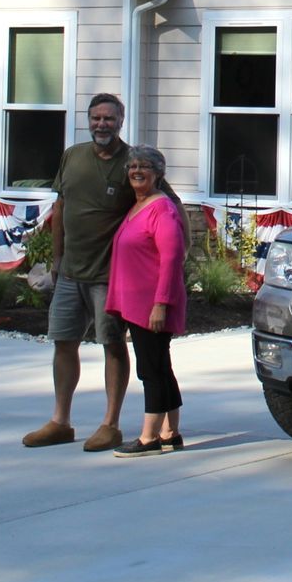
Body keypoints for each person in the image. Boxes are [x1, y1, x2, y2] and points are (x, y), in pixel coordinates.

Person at [22, 94, 134, 450]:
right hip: (70, 272)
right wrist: (56, 261)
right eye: (96, 118)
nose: (102, 124)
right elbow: (60, 207)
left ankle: (110, 423)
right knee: (63, 342)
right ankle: (61, 421)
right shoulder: (73, 155)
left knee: (112, 345)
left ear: (121, 120)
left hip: (109, 275)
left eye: (109, 118)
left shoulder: (133, 161)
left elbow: (162, 206)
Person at [106, 144, 188, 456]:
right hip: (137, 304)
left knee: (151, 370)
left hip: (152, 306)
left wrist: (160, 304)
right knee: (160, 367)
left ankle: (148, 438)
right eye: (132, 167)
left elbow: (171, 258)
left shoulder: (161, 208)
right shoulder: (138, 206)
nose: (136, 171)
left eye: (144, 167)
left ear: (158, 173)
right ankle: (170, 432)